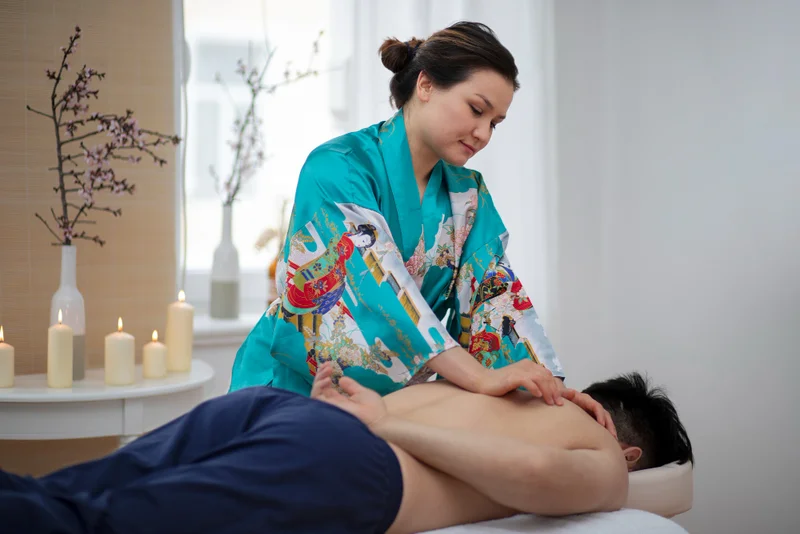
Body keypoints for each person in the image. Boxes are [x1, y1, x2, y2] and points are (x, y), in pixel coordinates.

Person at [229, 20, 614, 433]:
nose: (483, 134)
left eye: (495, 122)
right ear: (426, 85)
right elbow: (377, 288)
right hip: (293, 389)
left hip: (392, 410)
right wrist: (480, 378)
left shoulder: (467, 194)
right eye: (477, 109)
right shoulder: (338, 167)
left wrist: (552, 391)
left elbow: (495, 295)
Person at [0, 360, 693, 534]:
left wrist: (378, 418)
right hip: (351, 459)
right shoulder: (606, 459)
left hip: (284, 409)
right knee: (95, 523)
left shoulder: (517, 388)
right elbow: (536, 472)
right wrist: (387, 428)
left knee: (64, 494)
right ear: (634, 452)